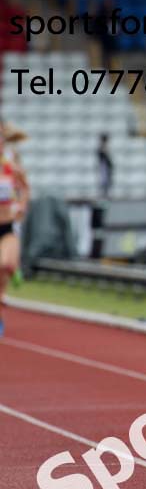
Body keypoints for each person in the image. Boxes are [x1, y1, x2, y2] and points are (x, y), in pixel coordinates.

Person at [0, 123, 30, 336]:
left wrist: (21, 205)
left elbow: (25, 189)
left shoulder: (11, 167)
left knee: (4, 264)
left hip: (7, 226)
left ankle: (13, 268)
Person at [97, 133, 113, 199]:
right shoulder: (102, 147)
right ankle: (104, 194)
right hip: (104, 165)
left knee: (106, 180)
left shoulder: (103, 147)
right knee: (104, 180)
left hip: (105, 165)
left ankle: (105, 194)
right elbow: (102, 157)